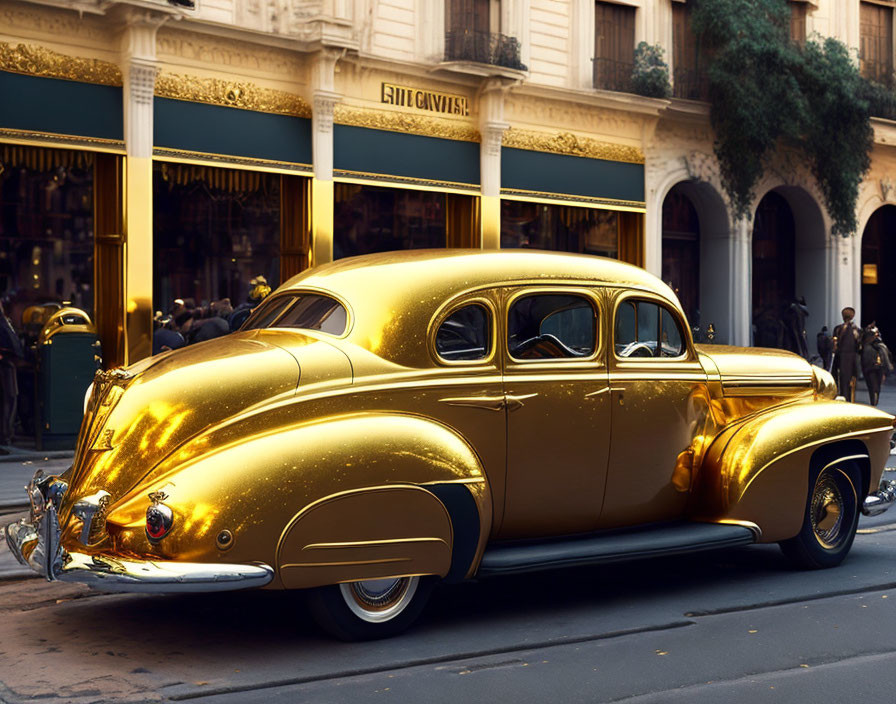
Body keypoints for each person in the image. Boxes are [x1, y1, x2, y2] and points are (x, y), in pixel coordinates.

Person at [832, 307, 861, 402]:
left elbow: (835, 343)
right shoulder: (855, 330)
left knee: (840, 378)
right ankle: (850, 398)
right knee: (852, 379)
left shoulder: (838, 328)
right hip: (852, 357)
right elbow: (858, 344)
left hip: (840, 357)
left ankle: (842, 396)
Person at [861, 325, 893, 407]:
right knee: (872, 386)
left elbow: (887, 358)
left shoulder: (882, 347)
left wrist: (885, 371)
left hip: (879, 368)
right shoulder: (866, 346)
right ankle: (873, 402)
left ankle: (875, 401)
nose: (876, 336)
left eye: (877, 334)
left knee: (877, 387)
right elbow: (864, 359)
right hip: (870, 369)